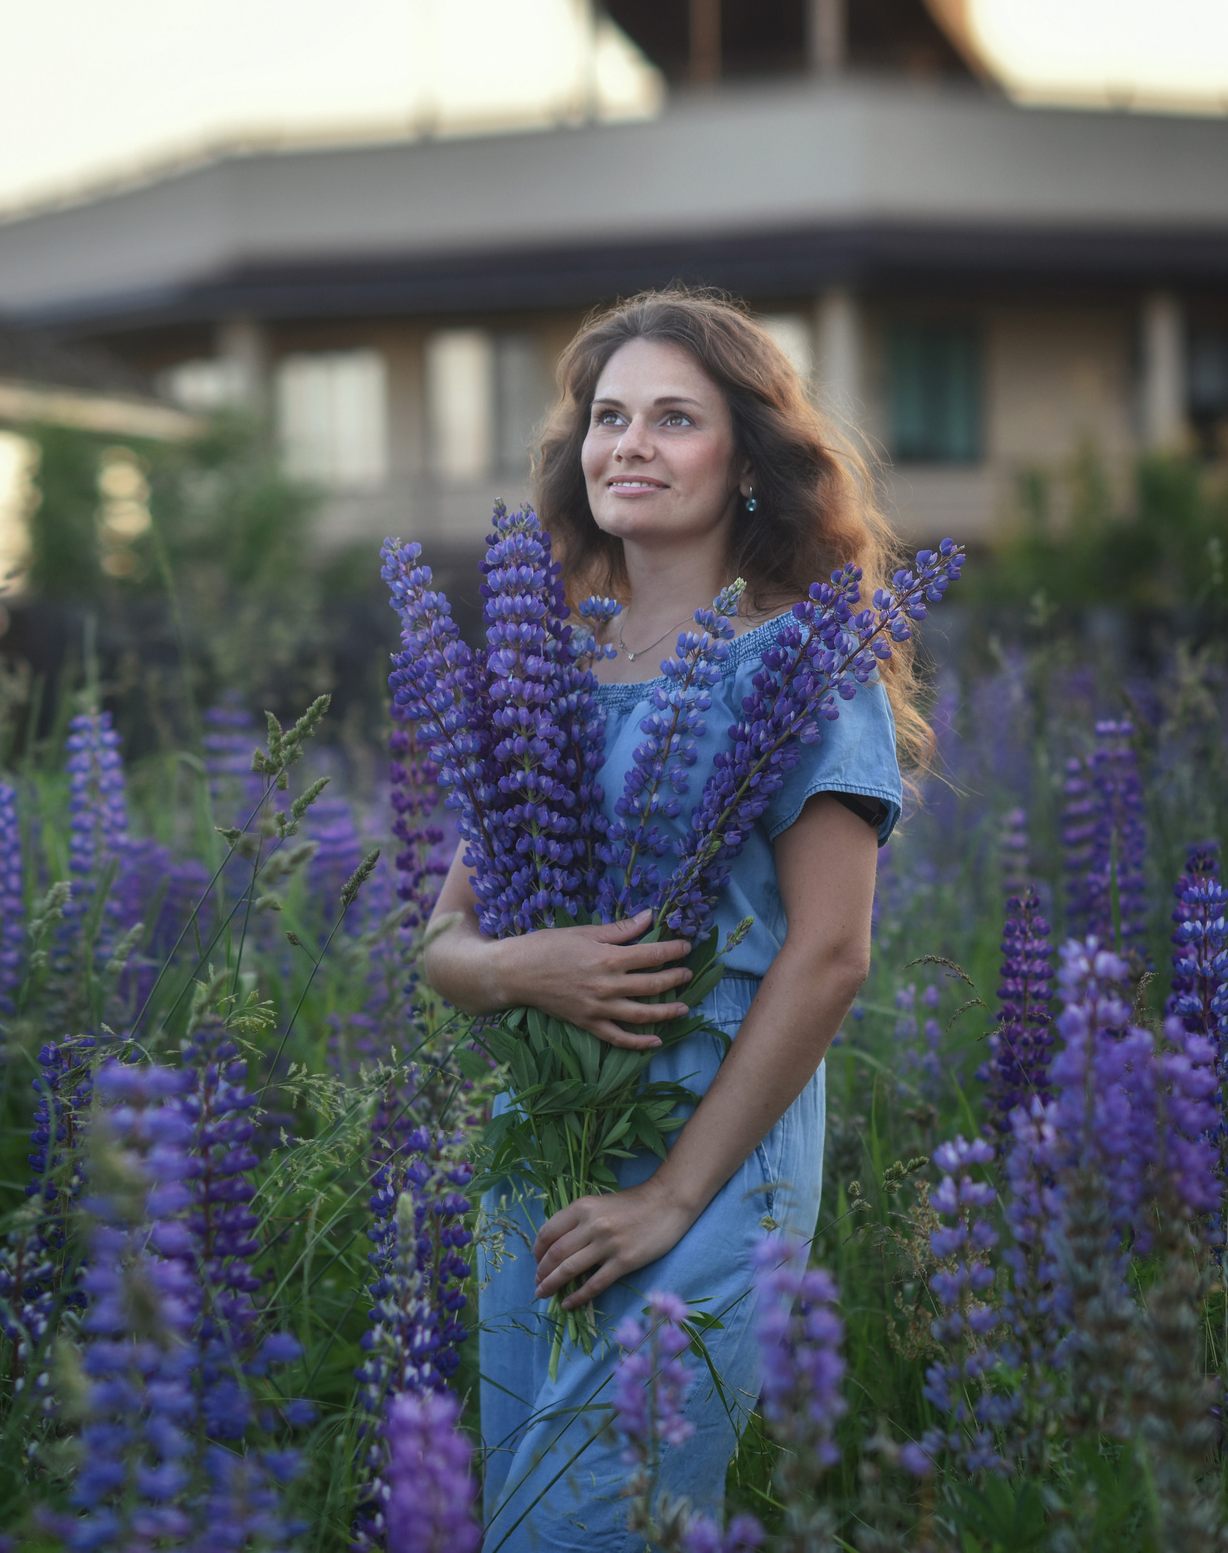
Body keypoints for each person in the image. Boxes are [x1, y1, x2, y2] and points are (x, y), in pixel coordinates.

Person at [422, 290, 928, 1551]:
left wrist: (670, 1199)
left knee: (597, 1521)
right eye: (607, 417)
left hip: (711, 1145)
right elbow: (441, 942)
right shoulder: (545, 659)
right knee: (518, 1516)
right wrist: (519, 966)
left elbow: (830, 951)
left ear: (747, 460)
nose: (628, 444)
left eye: (674, 417)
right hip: (536, 1147)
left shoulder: (804, 660)